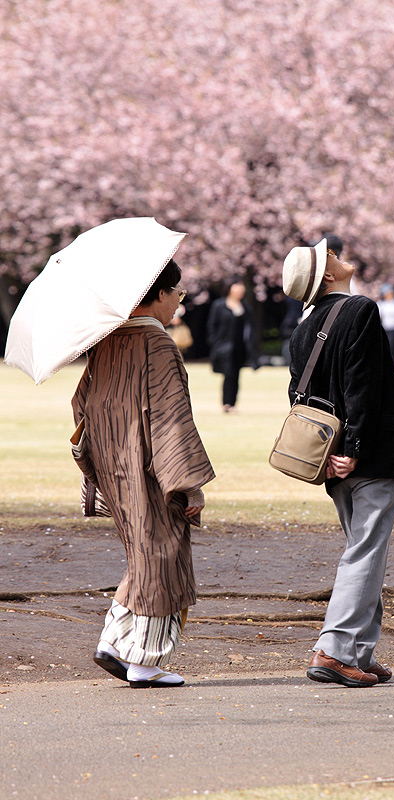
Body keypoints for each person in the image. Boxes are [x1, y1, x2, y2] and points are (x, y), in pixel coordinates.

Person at [72, 259, 215, 688]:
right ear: (159, 294)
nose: (179, 303)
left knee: (142, 552)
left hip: (113, 466)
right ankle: (145, 661)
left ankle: (114, 642)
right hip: (151, 468)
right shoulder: (159, 345)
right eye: (178, 294)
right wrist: (187, 485)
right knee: (163, 556)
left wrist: (94, 464)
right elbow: (171, 420)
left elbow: (81, 407)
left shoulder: (106, 341)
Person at [282, 239, 394, 688]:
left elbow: (299, 399)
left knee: (365, 552)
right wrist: (355, 449)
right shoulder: (359, 309)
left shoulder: (303, 328)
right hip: (368, 455)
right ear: (326, 275)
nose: (341, 257)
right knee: (365, 552)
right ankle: (335, 649)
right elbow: (364, 386)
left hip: (330, 456)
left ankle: (360, 649)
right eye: (333, 257)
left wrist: (331, 454)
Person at [206, 277, 258, 412]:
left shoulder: (245, 307)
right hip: (224, 348)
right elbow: (212, 327)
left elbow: (251, 328)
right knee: (228, 375)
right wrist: (215, 344)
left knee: (236, 375)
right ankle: (226, 403)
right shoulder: (219, 305)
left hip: (239, 348)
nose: (240, 291)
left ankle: (232, 404)